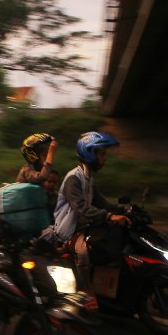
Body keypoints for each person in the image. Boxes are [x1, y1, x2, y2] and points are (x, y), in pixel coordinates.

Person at [53, 131, 131, 307]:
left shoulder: (88, 177)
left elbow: (101, 202)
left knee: (113, 239)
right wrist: (110, 216)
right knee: (83, 251)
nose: (104, 158)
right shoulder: (74, 177)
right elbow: (81, 207)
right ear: (89, 153)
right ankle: (85, 290)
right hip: (69, 230)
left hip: (84, 226)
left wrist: (124, 210)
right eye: (101, 153)